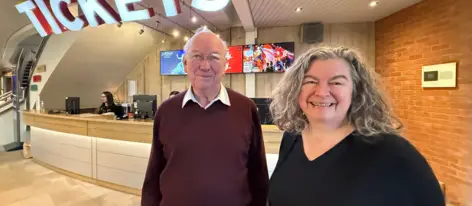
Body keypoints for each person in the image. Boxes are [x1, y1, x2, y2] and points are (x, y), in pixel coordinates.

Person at [267, 46, 445, 206]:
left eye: (336, 82)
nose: (321, 92)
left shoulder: (392, 152)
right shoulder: (292, 138)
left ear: (356, 91)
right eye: (310, 81)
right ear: (296, 89)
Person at [141, 26, 269, 206]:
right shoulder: (166, 111)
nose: (205, 65)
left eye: (214, 57)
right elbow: (154, 174)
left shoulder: (246, 109)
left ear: (225, 65)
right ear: (185, 63)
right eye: (197, 56)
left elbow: (259, 174)